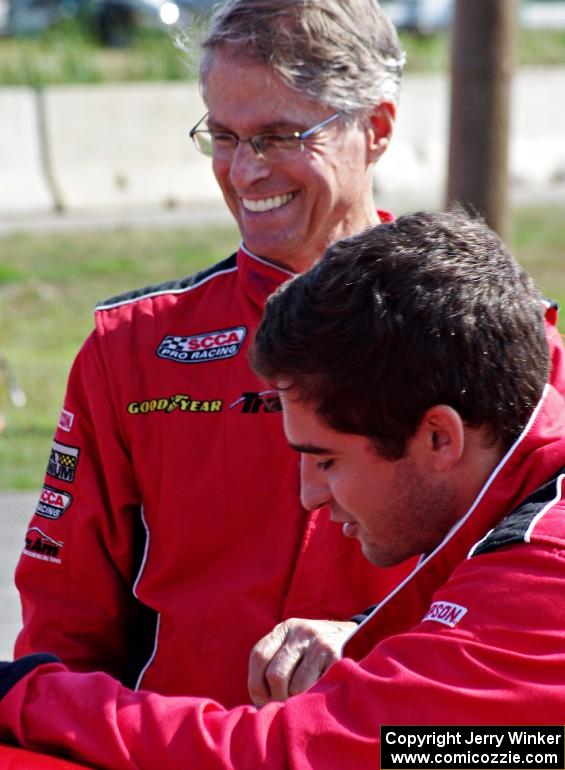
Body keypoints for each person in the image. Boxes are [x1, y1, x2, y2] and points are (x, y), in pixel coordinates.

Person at [2, 209, 565, 770]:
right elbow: (488, 749)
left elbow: (287, 756)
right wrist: (366, 636)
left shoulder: (542, 570)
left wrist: (26, 695)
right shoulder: (522, 503)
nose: (310, 495)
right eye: (221, 136)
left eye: (325, 459)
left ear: (440, 437)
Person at [13, 0, 413, 708]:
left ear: (377, 128)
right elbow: (59, 638)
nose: (244, 171)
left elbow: (528, 625)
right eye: (224, 137)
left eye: (280, 135)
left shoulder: (492, 340)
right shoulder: (130, 350)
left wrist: (357, 639)